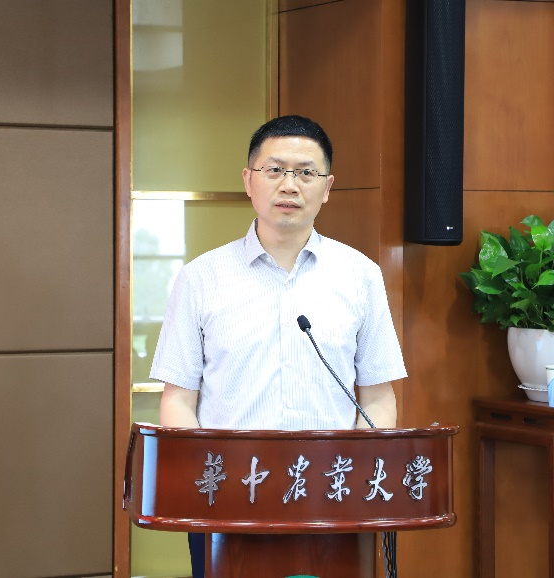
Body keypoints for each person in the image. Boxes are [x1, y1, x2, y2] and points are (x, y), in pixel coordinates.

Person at [148, 114, 406, 576]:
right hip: (227, 499)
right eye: (275, 170)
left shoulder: (361, 275)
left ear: (327, 187)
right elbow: (178, 401)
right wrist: (207, 480)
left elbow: (378, 399)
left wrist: (357, 479)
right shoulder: (201, 278)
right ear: (249, 180)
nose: (290, 185)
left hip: (333, 497)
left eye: (306, 172)